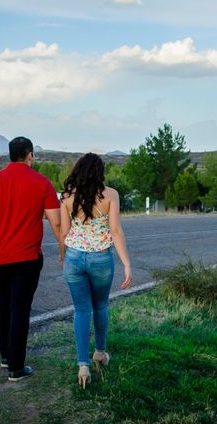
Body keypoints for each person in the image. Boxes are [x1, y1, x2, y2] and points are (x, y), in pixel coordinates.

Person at [0, 137, 61, 382]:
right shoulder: (42, 182)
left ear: (10, 155)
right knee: (20, 308)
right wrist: (63, 248)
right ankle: (16, 368)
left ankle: (6, 356)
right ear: (29, 155)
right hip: (26, 258)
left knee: (4, 303)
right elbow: (56, 221)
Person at [60, 153, 132, 389]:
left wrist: (64, 254)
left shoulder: (68, 197)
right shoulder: (110, 195)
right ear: (100, 172)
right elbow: (116, 231)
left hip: (74, 258)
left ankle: (83, 365)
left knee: (81, 310)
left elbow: (64, 232)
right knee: (100, 305)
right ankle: (99, 352)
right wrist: (126, 263)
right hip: (100, 258)